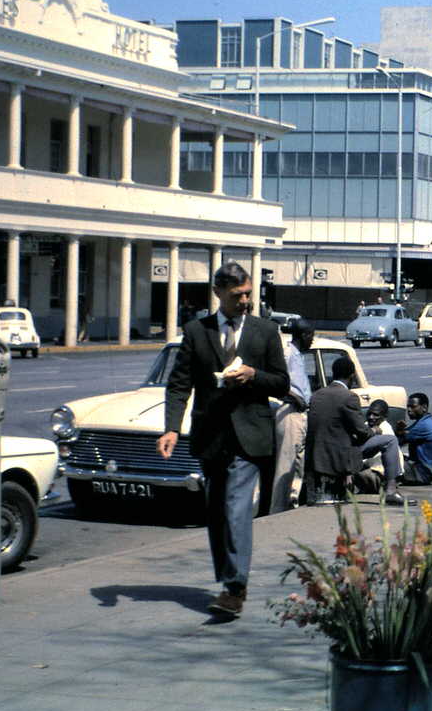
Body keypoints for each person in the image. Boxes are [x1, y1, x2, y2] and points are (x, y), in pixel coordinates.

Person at [158, 262, 289, 617]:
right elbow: (179, 384)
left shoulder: (266, 331)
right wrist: (171, 428)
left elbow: (282, 382)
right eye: (237, 296)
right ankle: (228, 578)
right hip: (211, 435)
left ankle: (235, 587)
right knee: (216, 511)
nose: (245, 301)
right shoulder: (196, 332)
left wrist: (253, 375)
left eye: (248, 293)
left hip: (250, 435)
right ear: (218, 293)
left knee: (236, 507)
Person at [305, 356, 371, 505]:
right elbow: (362, 431)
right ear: (352, 375)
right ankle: (390, 487)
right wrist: (376, 431)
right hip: (337, 456)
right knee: (389, 441)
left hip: (316, 454)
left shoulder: (316, 395)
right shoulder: (349, 397)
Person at [269, 318, 315, 514]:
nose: (312, 341)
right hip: (289, 412)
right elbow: (274, 380)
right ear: (304, 335)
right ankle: (277, 510)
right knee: (284, 466)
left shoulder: (298, 356)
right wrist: (293, 395)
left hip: (301, 414)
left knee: (297, 466)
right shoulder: (287, 354)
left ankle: (290, 506)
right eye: (311, 337)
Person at [357, 399, 405, 505]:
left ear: (384, 417)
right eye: (369, 414)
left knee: (357, 471)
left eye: (375, 415)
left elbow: (375, 461)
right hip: (371, 469)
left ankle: (389, 490)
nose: (371, 417)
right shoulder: (367, 425)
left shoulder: (385, 430)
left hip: (381, 474)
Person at [395, 392, 432, 485]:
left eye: (413, 407)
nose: (409, 410)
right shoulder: (422, 422)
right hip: (419, 469)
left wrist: (399, 431)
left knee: (388, 458)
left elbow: (397, 441)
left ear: (424, 407)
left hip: (421, 474)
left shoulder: (425, 425)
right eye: (408, 407)